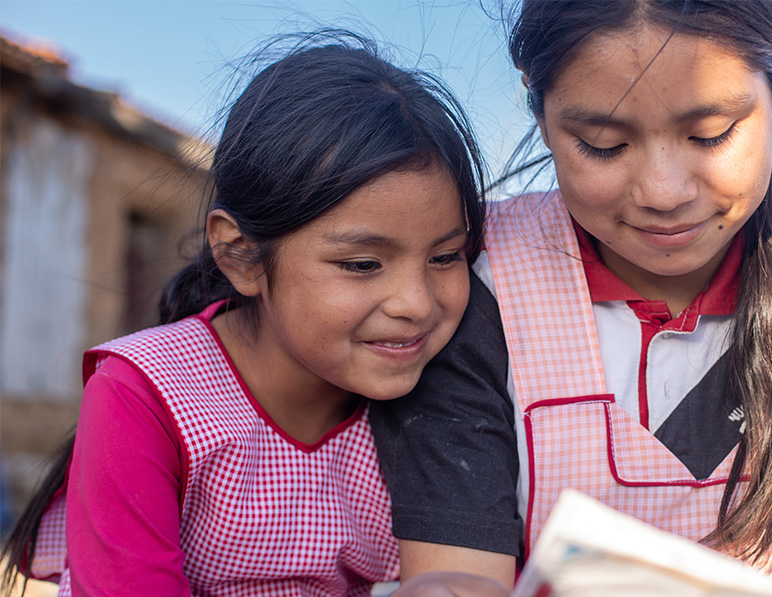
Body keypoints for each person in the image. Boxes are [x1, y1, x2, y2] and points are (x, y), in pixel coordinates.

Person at [370, 0, 772, 592]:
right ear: (539, 113)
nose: (664, 191)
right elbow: (458, 576)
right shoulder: (479, 281)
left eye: (711, 134)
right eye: (603, 145)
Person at [1, 34, 488, 596]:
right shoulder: (150, 397)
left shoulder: (448, 396)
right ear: (240, 254)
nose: (417, 304)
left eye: (446, 256)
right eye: (361, 263)